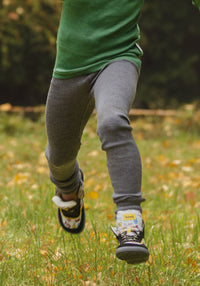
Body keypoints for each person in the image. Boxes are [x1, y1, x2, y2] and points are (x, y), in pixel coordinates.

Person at [45, 0, 149, 264]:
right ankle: (70, 192)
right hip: (70, 68)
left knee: (113, 121)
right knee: (58, 158)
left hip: (119, 58)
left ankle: (129, 218)